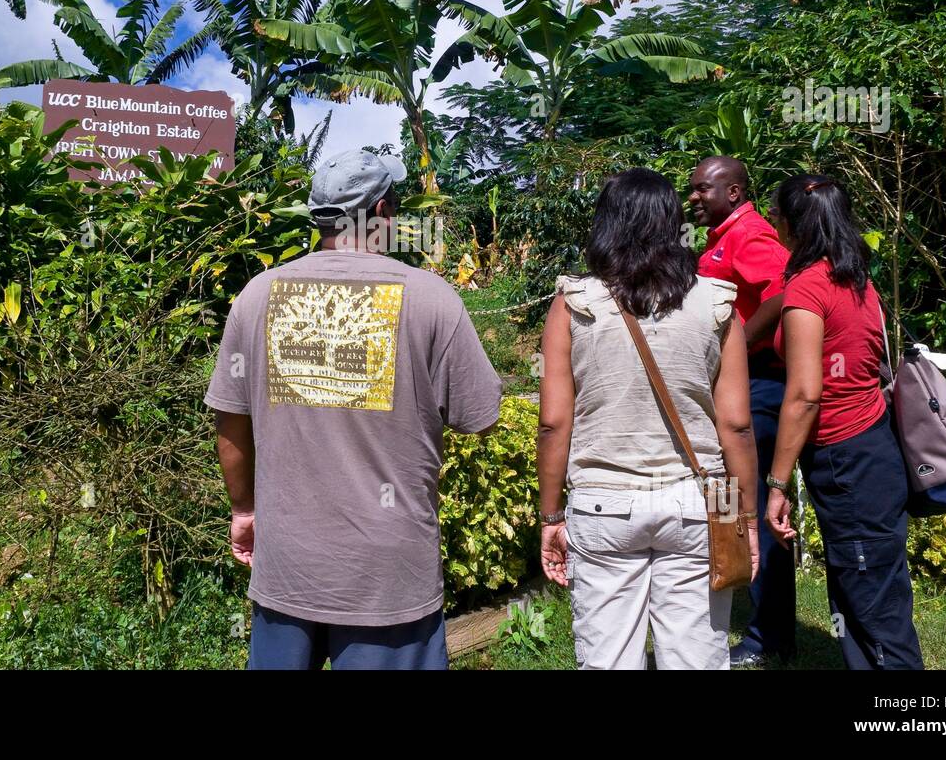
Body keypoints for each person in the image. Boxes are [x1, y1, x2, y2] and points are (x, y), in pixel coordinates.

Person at [204, 148, 502, 670]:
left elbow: (230, 420)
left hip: (289, 564)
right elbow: (479, 417)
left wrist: (244, 510)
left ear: (318, 214)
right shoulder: (432, 299)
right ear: (384, 212)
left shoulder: (256, 297)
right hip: (386, 573)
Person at [537, 168, 759, 670]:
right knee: (698, 656)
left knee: (609, 657)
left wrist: (551, 516)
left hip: (603, 499)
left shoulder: (574, 302)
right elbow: (737, 426)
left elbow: (554, 422)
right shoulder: (718, 302)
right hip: (706, 499)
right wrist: (746, 519)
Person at [764, 174, 923, 670]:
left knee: (871, 604)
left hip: (846, 461)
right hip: (873, 448)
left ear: (791, 225)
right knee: (868, 591)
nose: (771, 222)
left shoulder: (808, 287)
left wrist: (777, 483)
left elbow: (806, 395)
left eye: (775, 214)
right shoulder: (855, 279)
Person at [688, 155, 795, 666]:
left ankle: (767, 634)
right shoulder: (720, 235)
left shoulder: (750, 234)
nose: (692, 197)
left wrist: (738, 347)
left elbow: (784, 290)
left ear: (732, 192)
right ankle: (741, 612)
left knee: (745, 501)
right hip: (739, 383)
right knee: (730, 499)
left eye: (701, 189)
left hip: (757, 385)